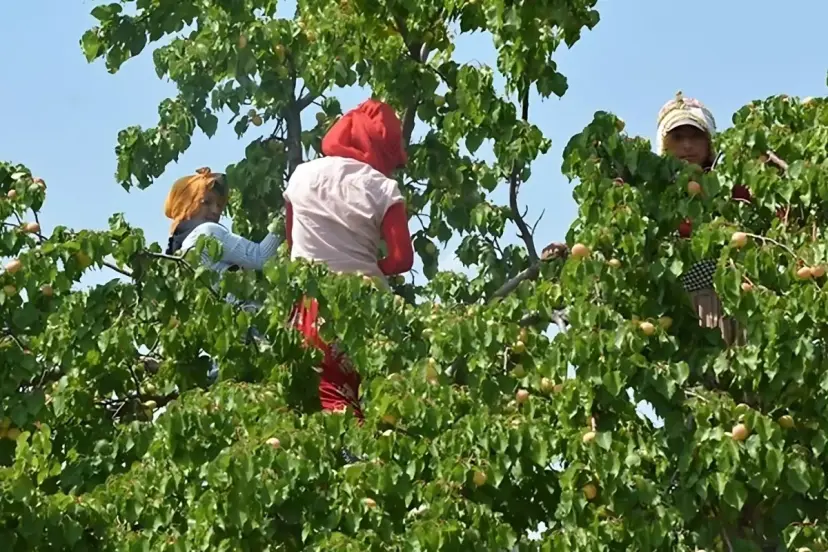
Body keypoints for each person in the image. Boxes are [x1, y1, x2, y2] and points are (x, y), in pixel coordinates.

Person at [283, 98, 414, 422]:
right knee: (367, 404)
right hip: (365, 310)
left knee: (313, 394)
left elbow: (291, 244)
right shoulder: (383, 188)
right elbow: (401, 259)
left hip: (306, 309)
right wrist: (372, 268)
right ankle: (359, 458)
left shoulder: (300, 176)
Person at [164, 167, 281, 379]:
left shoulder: (175, 252)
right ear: (186, 204)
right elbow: (260, 256)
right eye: (206, 202)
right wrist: (287, 212)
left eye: (219, 204)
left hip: (214, 346)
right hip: (247, 332)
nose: (216, 210)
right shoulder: (208, 232)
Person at [656, 93, 745, 346]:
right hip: (674, 316)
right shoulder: (651, 193)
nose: (687, 146)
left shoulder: (730, 187)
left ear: (709, 143)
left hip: (730, 309)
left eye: (696, 136)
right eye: (678, 137)